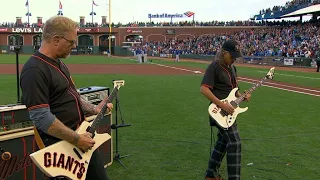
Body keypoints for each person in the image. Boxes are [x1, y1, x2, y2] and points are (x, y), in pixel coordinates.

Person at [20, 16, 113, 180]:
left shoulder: (59, 63)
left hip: (82, 140)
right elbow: (41, 117)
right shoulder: (34, 70)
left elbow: (72, 96)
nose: (74, 46)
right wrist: (77, 139)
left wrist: (95, 109)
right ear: (56, 40)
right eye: (71, 42)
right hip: (63, 148)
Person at [200, 40, 251, 180]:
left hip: (230, 112)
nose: (234, 58)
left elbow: (234, 91)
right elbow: (203, 89)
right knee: (235, 143)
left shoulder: (233, 68)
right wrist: (222, 105)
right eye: (232, 55)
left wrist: (242, 96)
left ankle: (211, 174)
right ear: (224, 53)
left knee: (223, 142)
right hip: (218, 112)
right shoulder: (214, 67)